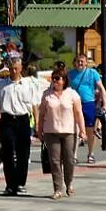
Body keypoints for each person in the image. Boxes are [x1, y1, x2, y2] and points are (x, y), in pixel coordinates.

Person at [0, 59, 44, 195]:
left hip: (23, 119)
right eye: (11, 68)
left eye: (16, 68)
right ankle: (10, 184)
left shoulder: (28, 85)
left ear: (21, 68)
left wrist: (38, 124)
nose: (13, 71)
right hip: (7, 119)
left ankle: (21, 182)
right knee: (7, 151)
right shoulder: (1, 85)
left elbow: (34, 106)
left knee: (23, 152)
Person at [37, 67, 83, 199]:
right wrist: (40, 131)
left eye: (57, 78)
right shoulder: (47, 94)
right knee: (55, 161)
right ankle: (58, 189)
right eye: (53, 78)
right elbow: (42, 114)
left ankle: (69, 183)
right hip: (51, 131)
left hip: (69, 131)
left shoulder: (72, 94)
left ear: (64, 80)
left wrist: (83, 130)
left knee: (69, 160)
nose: (55, 81)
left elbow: (78, 113)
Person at [66, 53, 102, 165]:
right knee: (75, 130)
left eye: (82, 61)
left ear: (86, 62)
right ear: (74, 62)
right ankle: (74, 155)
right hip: (75, 104)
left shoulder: (92, 73)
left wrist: (103, 103)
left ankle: (90, 153)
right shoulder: (70, 74)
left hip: (88, 104)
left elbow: (101, 88)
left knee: (90, 131)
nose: (80, 63)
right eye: (78, 61)